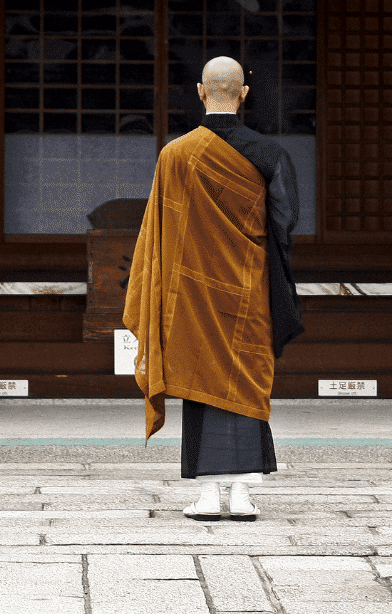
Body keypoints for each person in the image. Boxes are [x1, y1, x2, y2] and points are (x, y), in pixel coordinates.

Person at [122, 56, 304, 522]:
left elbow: (158, 232)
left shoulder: (176, 155)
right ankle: (243, 495)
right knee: (247, 383)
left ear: (201, 91)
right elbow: (284, 227)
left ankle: (206, 496)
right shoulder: (269, 155)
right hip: (250, 292)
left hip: (192, 294)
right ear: (244, 95)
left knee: (200, 382)